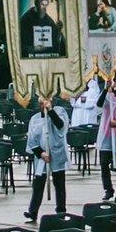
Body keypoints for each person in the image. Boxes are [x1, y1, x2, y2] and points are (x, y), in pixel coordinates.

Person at [24, 89, 70, 221]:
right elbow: (31, 140)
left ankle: (61, 211)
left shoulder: (59, 111)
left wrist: (50, 110)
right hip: (42, 155)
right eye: (41, 104)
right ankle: (32, 212)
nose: (42, 106)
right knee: (38, 184)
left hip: (56, 152)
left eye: (45, 103)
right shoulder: (35, 119)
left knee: (59, 183)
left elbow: (61, 126)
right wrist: (41, 153)